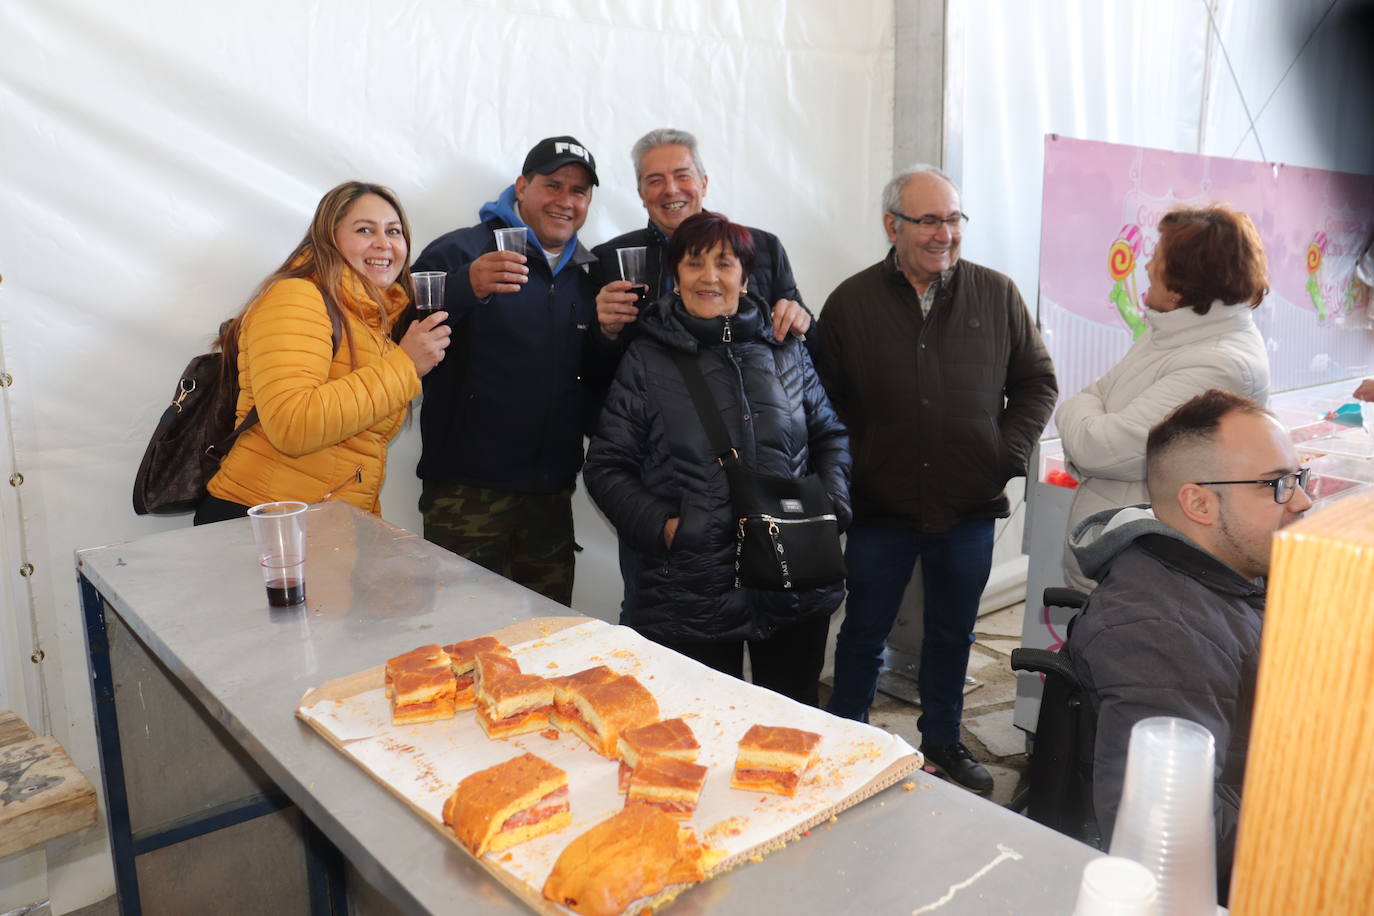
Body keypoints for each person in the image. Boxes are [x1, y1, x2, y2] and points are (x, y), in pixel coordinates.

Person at [815, 164, 1057, 791]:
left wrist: (1002, 454)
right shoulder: (852, 302)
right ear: (892, 226)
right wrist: (853, 467)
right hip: (880, 507)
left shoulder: (997, 294)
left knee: (953, 633)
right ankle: (850, 740)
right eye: (929, 220)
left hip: (967, 507)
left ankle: (945, 741)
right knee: (864, 630)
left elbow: (1037, 382)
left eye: (953, 219)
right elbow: (821, 402)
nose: (944, 233)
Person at [583, 211, 850, 706]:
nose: (709, 276)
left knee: (792, 721)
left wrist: (832, 504)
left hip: (792, 579)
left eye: (724, 263)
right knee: (696, 729)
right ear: (675, 275)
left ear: (745, 275)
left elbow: (830, 434)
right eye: (694, 263)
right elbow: (605, 465)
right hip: (688, 591)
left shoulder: (784, 348)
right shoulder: (646, 357)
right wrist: (667, 527)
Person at [1064, 389, 1312, 902]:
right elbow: (1169, 830)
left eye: (1299, 477)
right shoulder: (1163, 631)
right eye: (1278, 485)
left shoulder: (1235, 571)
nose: (1303, 500)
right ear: (1198, 502)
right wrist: (1326, 821)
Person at [411, 136, 613, 605]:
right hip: (466, 494)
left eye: (579, 191)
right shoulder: (458, 252)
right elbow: (399, 345)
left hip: (551, 499)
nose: (566, 201)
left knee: (546, 645)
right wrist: (466, 287)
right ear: (522, 186)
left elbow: (590, 380)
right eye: (553, 184)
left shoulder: (589, 275)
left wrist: (608, 337)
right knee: (462, 643)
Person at [196, 181, 450, 524]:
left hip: (321, 520)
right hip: (266, 520)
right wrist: (404, 366)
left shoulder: (371, 318)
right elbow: (292, 425)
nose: (384, 243)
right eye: (364, 229)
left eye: (394, 231)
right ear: (328, 237)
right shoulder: (296, 296)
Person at [1056, 204, 1271, 591]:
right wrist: (1088, 408)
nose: (1147, 266)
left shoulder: (1217, 363)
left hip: (1147, 575)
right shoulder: (1174, 334)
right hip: (1126, 560)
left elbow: (1098, 448)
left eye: (1157, 257)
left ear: (1182, 285)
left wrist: (1084, 413)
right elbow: (1090, 398)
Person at [591, 128, 812, 346]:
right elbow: (592, 373)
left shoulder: (764, 248)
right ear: (641, 193)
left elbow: (812, 352)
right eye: (655, 180)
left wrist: (801, 324)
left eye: (682, 176)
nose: (671, 189)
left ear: (703, 183)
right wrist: (605, 333)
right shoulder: (608, 258)